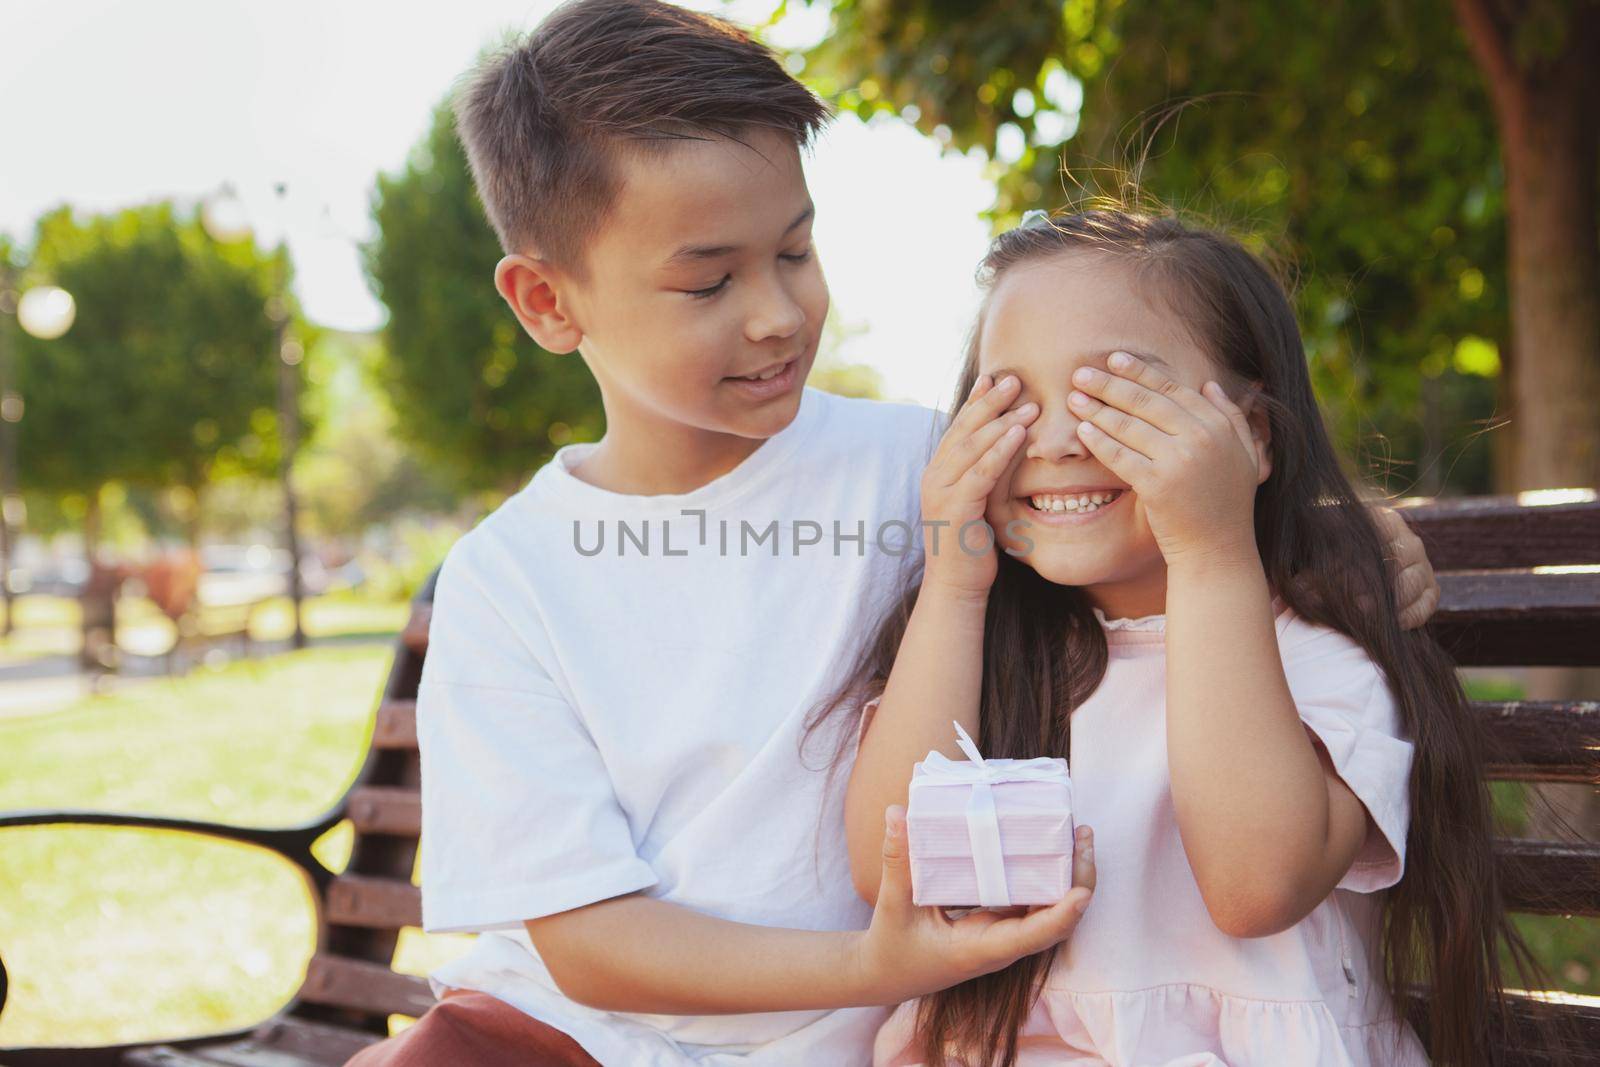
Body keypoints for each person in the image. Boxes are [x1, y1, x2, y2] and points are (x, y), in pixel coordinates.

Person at [346, 3, 1441, 1062]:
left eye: (795, 251)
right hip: (563, 1033)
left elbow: (1149, 493)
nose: (776, 311)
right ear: (546, 302)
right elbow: (587, 946)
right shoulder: (507, 579)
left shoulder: (933, 465)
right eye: (708, 279)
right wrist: (874, 964)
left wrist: (1339, 532)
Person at [826, 208, 1550, 1067]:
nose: (1054, 440)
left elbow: (1257, 887)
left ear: (1252, 436)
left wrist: (1209, 551)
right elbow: (888, 869)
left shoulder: (1315, 648)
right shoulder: (981, 648)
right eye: (1010, 402)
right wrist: (953, 577)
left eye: (1114, 395)